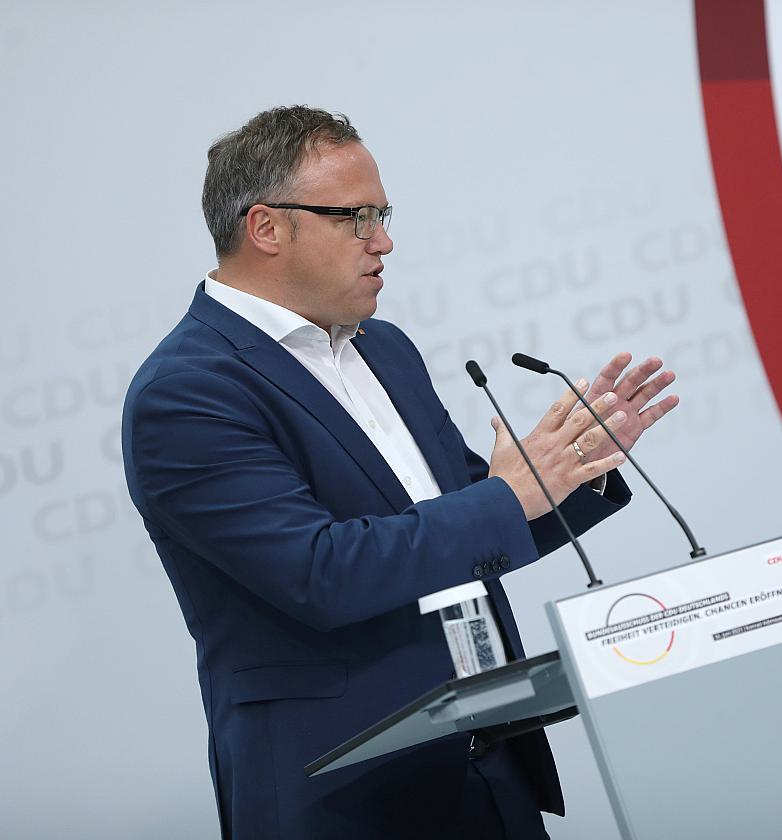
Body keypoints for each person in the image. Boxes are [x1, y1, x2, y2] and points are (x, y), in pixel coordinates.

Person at [121, 106, 678, 839]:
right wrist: (509, 495)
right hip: (345, 796)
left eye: (381, 215)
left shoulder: (383, 349)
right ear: (267, 228)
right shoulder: (188, 392)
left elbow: (471, 526)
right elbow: (319, 572)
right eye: (355, 218)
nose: (383, 241)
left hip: (487, 769)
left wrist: (575, 467)